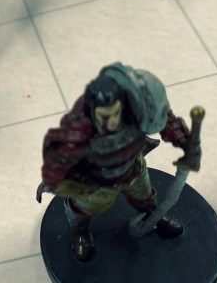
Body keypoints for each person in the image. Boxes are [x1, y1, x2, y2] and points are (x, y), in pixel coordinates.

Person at [36, 63, 199, 262]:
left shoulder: (132, 106)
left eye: (116, 114)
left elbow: (160, 115)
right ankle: (80, 232)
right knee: (83, 208)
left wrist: (182, 139)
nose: (112, 121)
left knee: (145, 197)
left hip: (133, 166)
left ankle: (153, 217)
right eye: (105, 117)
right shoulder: (79, 127)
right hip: (96, 180)